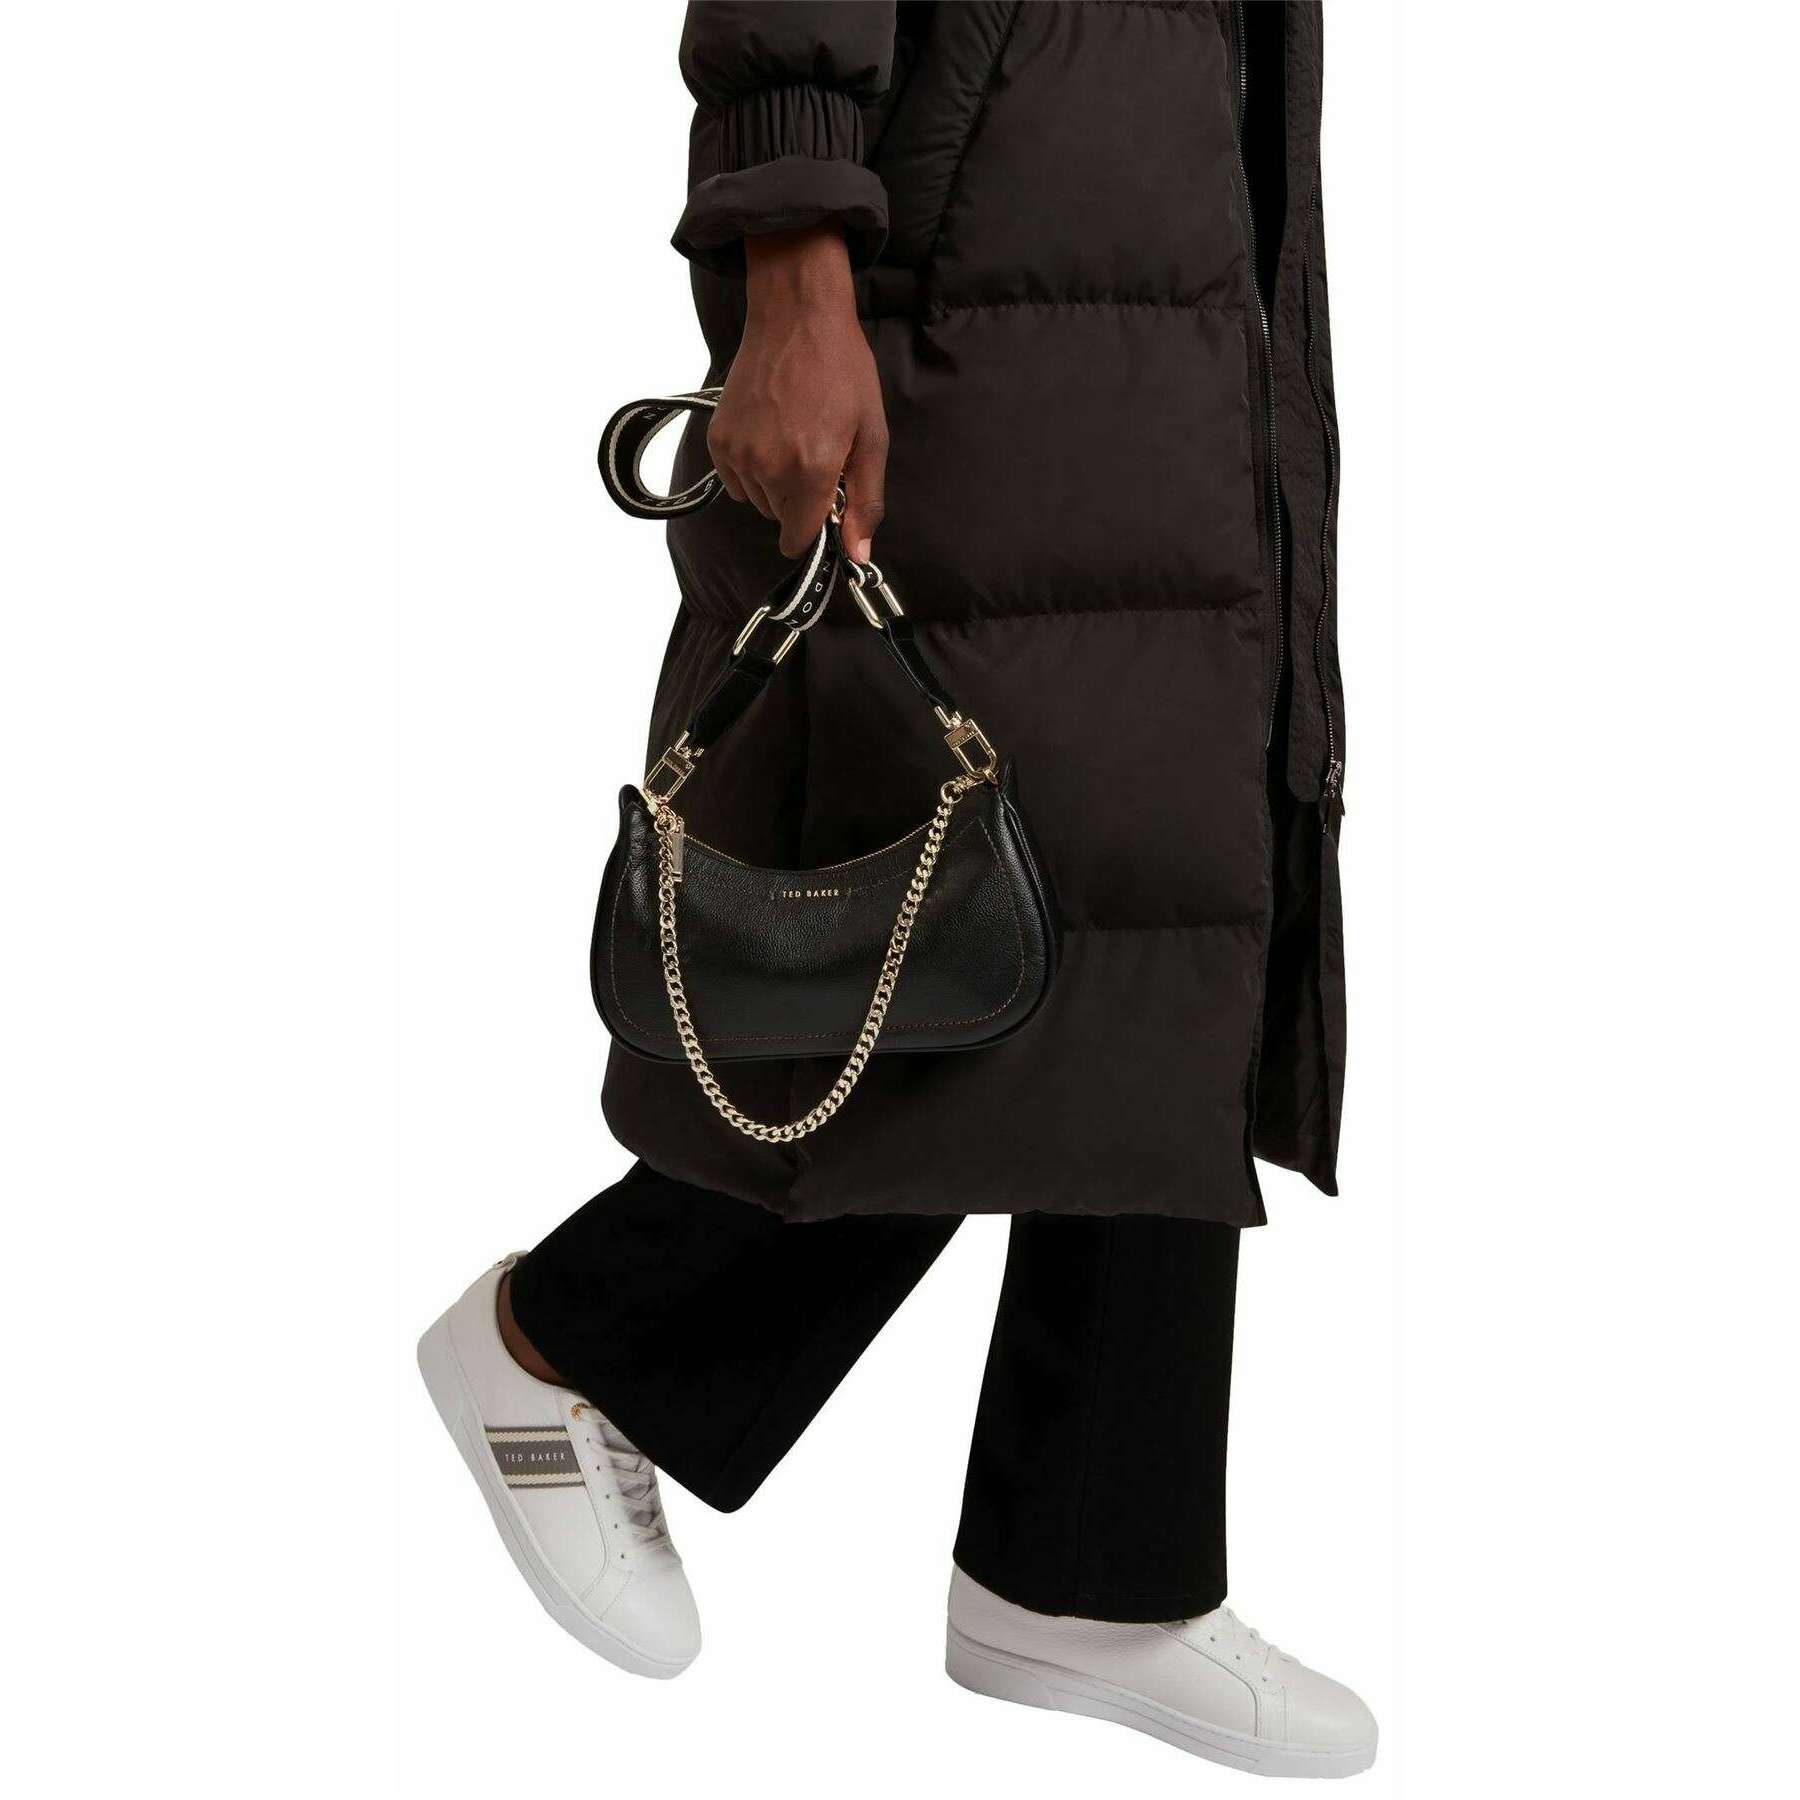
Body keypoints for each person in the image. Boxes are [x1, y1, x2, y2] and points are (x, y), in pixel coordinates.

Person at [419, 2, 1370, 1777]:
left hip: (1179, 177)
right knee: (986, 879)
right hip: (978, 216)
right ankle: (577, 1351)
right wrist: (791, 261)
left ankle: (1095, 1565)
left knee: (1178, 853)